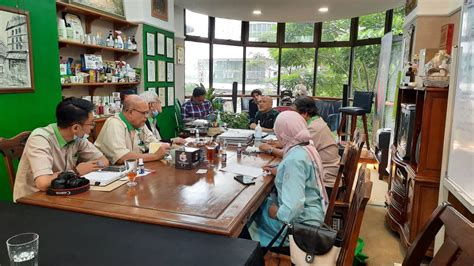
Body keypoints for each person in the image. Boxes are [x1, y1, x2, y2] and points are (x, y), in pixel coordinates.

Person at [247, 111, 328, 247]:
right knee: (263, 202)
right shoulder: (307, 146)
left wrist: (278, 213)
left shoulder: (294, 160)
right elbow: (304, 174)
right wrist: (280, 171)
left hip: (301, 227)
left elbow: (294, 206)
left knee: (251, 215)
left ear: (282, 133)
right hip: (315, 213)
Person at [13, 97, 109, 201]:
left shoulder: (78, 137)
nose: (92, 127)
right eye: (91, 123)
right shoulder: (40, 139)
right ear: (75, 128)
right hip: (33, 200)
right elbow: (43, 183)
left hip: (63, 195)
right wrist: (75, 172)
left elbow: (104, 161)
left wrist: (95, 165)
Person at [259, 96, 340, 196]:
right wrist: (280, 143)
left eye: (294, 113)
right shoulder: (316, 122)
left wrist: (270, 149)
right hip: (320, 175)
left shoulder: (312, 128)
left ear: (305, 113)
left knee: (273, 188)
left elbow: (292, 153)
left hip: (324, 184)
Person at [95, 95, 170, 165]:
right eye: (143, 113)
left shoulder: (140, 124)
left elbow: (155, 144)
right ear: (130, 112)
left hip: (133, 170)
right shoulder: (114, 123)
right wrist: (155, 156)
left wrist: (167, 148)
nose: (146, 116)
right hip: (111, 173)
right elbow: (121, 157)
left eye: (147, 113)